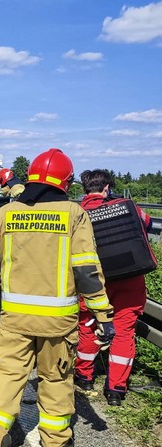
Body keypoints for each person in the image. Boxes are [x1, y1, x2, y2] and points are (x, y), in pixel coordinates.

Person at [0, 148, 113, 447]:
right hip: (57, 323)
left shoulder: (6, 213)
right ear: (66, 181)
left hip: (15, 318)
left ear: (31, 176)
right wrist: (103, 316)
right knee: (56, 378)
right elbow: (87, 271)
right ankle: (54, 441)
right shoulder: (74, 215)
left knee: (8, 375)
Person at [74, 169, 154, 406]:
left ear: (85, 189)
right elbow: (147, 224)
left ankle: (85, 377)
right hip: (130, 282)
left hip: (94, 282)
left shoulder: (78, 213)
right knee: (123, 332)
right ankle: (116, 390)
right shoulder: (127, 206)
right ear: (108, 188)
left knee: (88, 326)